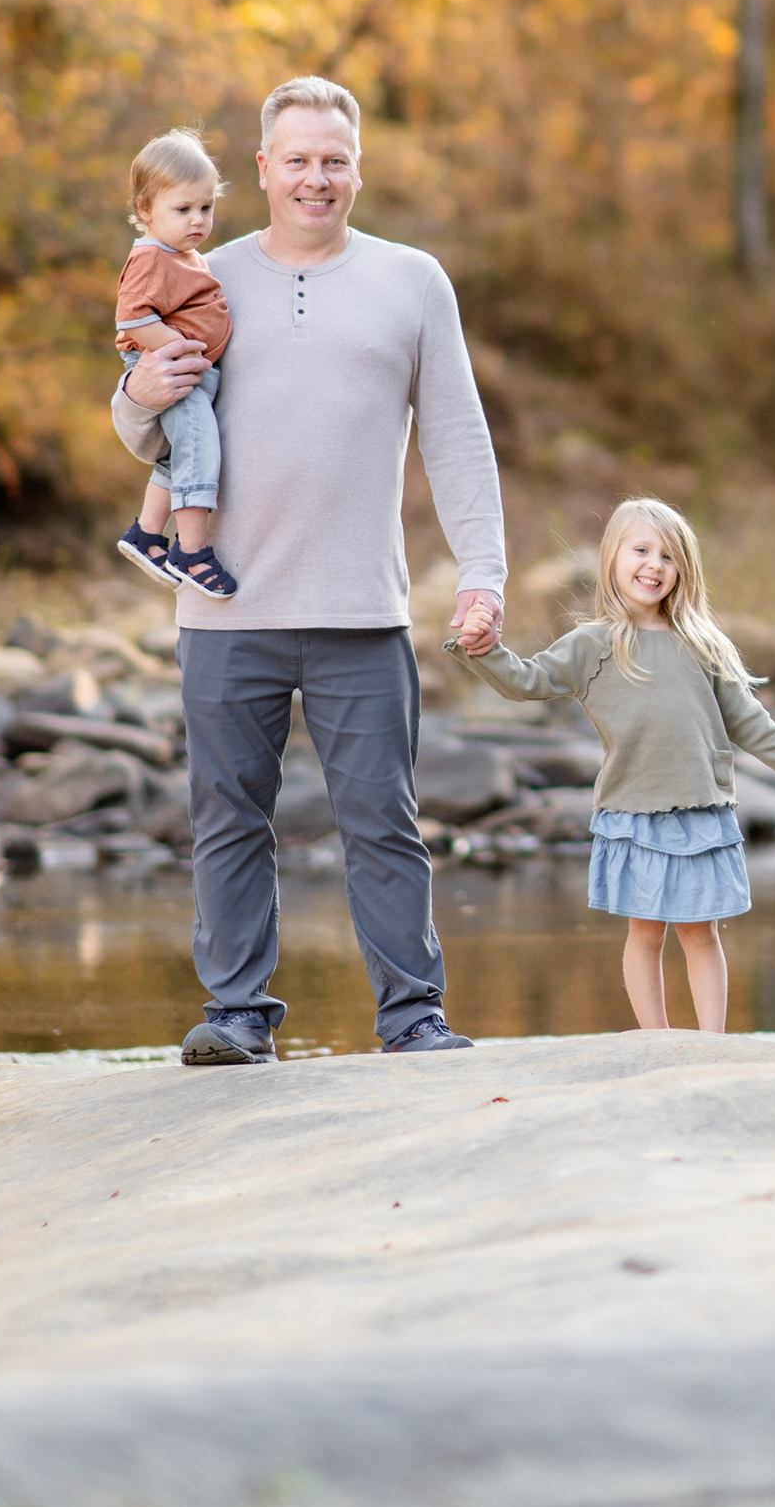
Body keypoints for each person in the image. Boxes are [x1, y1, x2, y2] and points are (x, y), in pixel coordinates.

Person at [112, 75, 504, 1063]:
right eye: (296, 159)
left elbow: (458, 442)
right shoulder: (202, 271)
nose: (315, 177)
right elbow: (142, 421)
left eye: (334, 159)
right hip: (223, 605)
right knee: (229, 818)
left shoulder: (413, 281)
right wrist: (136, 398)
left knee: (382, 820)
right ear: (262, 169)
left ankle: (412, 1017)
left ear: (358, 167)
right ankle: (239, 1016)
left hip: (362, 611)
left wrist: (482, 573)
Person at [460, 498, 775, 1033]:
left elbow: (751, 723)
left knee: (701, 932)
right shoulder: (594, 644)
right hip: (634, 809)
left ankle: (712, 1043)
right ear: (612, 557)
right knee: (647, 932)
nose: (654, 565)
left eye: (668, 556)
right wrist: (484, 648)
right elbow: (526, 680)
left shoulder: (703, 644)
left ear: (684, 570)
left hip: (702, 807)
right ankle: (654, 1040)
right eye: (641, 550)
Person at [110, 129, 238, 598]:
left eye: (206, 208)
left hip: (190, 370)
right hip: (172, 368)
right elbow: (132, 318)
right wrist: (182, 350)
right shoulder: (150, 257)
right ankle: (192, 551)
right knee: (200, 450)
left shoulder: (183, 255)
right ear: (146, 210)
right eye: (182, 210)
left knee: (177, 453)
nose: (197, 220)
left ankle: (146, 533)